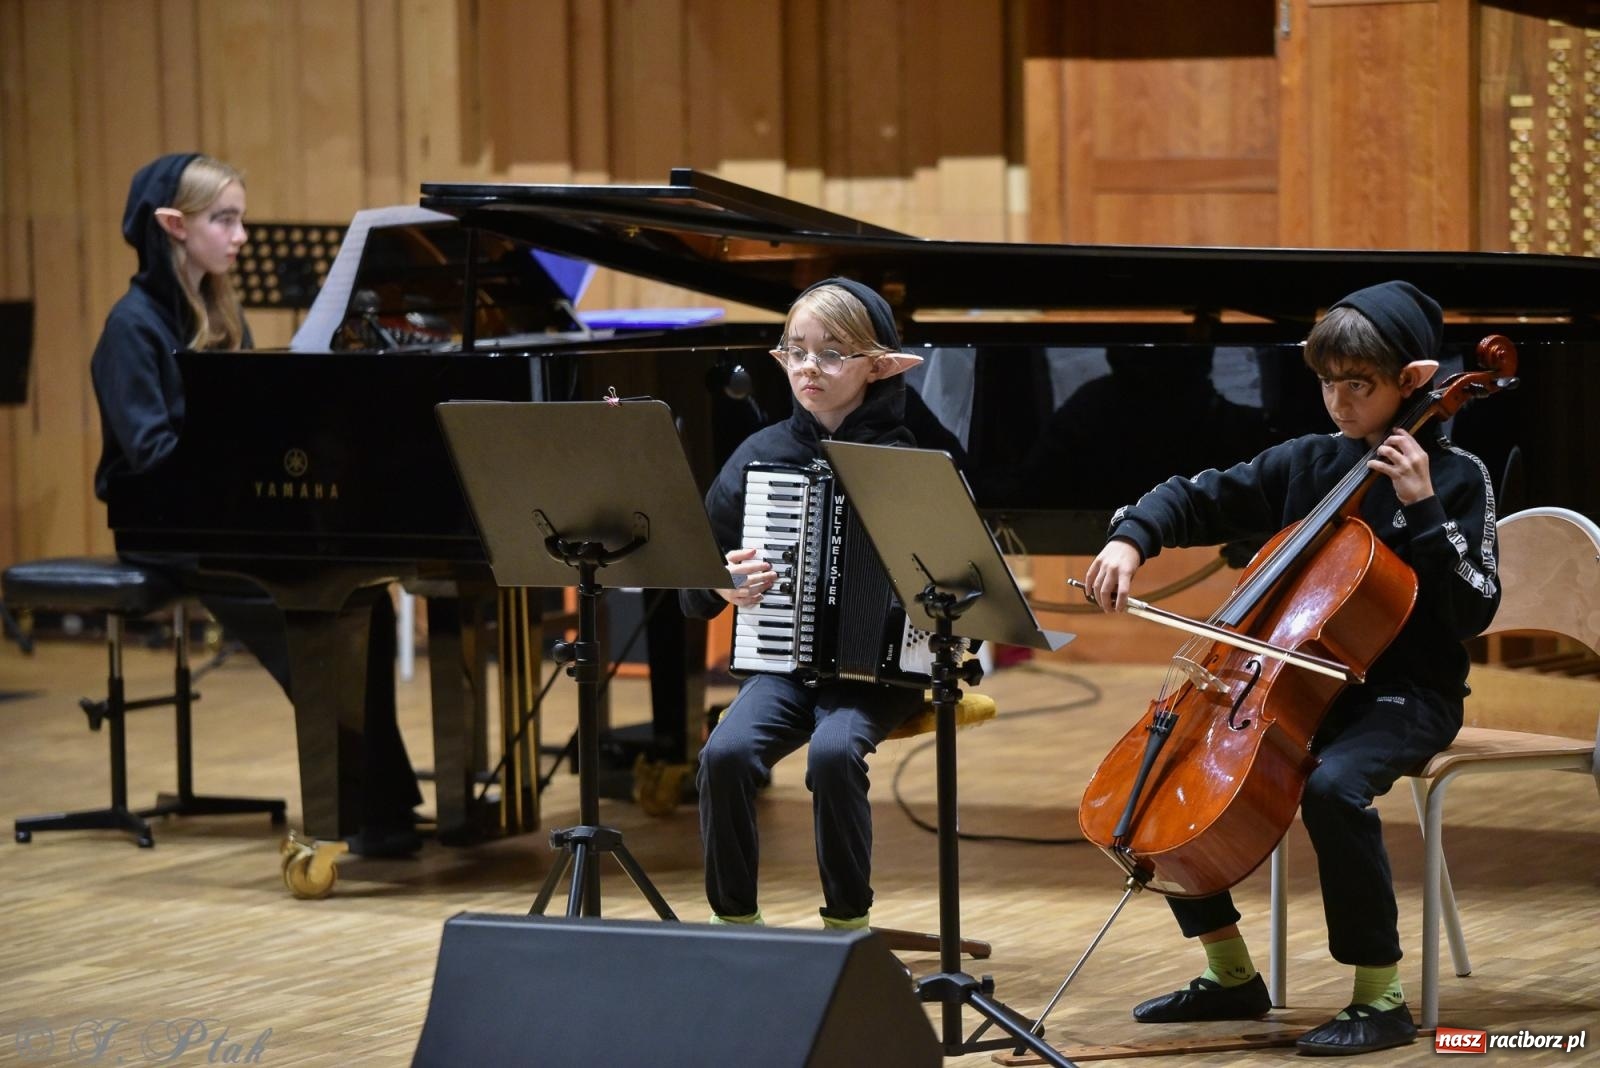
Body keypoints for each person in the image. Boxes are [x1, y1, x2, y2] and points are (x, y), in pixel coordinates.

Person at [1083, 280, 1500, 1057]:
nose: (1338, 402)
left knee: (1335, 788)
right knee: (1158, 777)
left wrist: (1422, 508)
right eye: (1326, 382)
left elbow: (1472, 610)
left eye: (1358, 384)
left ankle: (1380, 997)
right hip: (1290, 688)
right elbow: (1195, 495)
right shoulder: (1309, 462)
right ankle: (1230, 975)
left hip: (1404, 696)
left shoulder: (1455, 477)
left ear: (1412, 382)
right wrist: (1131, 538)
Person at [90, 153, 422, 856]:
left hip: (220, 516)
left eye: (238, 218)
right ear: (174, 227)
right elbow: (151, 455)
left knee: (364, 596)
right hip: (165, 526)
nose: (240, 235)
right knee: (307, 606)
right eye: (225, 219)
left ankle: (383, 804)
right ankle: (355, 813)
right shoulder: (131, 328)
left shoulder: (214, 312)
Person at [682, 278, 926, 929]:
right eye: (796, 351)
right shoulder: (759, 458)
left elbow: (962, 580)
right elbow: (690, 585)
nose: (809, 368)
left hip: (881, 677)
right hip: (783, 664)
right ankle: (736, 925)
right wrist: (718, 583)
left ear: (879, 366)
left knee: (833, 753)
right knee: (724, 756)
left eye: (833, 353)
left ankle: (848, 925)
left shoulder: (912, 462)